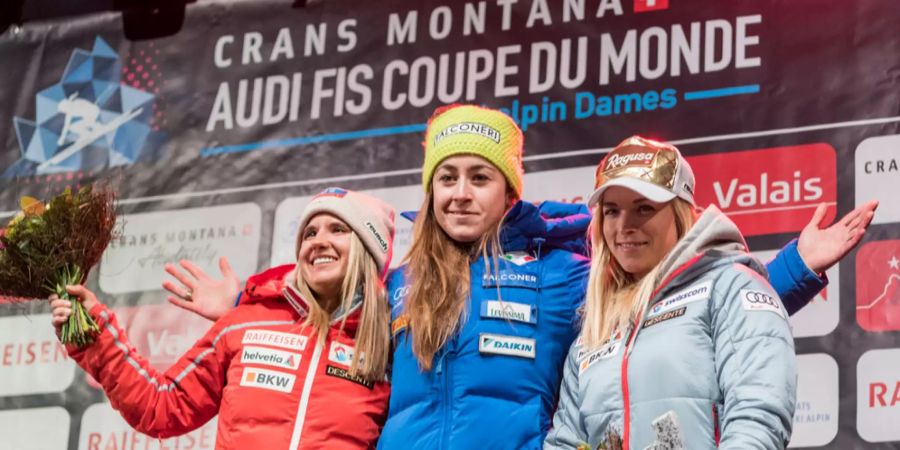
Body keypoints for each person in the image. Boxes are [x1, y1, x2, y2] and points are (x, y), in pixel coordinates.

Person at [165, 106, 876, 449]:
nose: (461, 193)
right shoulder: (396, 279)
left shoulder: (563, 274)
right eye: (446, 179)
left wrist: (792, 270)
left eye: (480, 177)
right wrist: (246, 299)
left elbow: (666, 302)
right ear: (430, 191)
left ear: (510, 192)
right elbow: (323, 304)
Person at [49, 188, 396, 449]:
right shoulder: (245, 323)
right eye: (310, 232)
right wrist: (95, 334)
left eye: (338, 229)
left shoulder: (392, 342)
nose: (318, 241)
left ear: (370, 248)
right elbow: (161, 405)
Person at [544, 137, 795, 449]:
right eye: (611, 211)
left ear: (679, 213)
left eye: (644, 208)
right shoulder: (597, 326)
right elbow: (566, 441)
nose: (624, 226)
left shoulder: (730, 286)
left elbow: (757, 415)